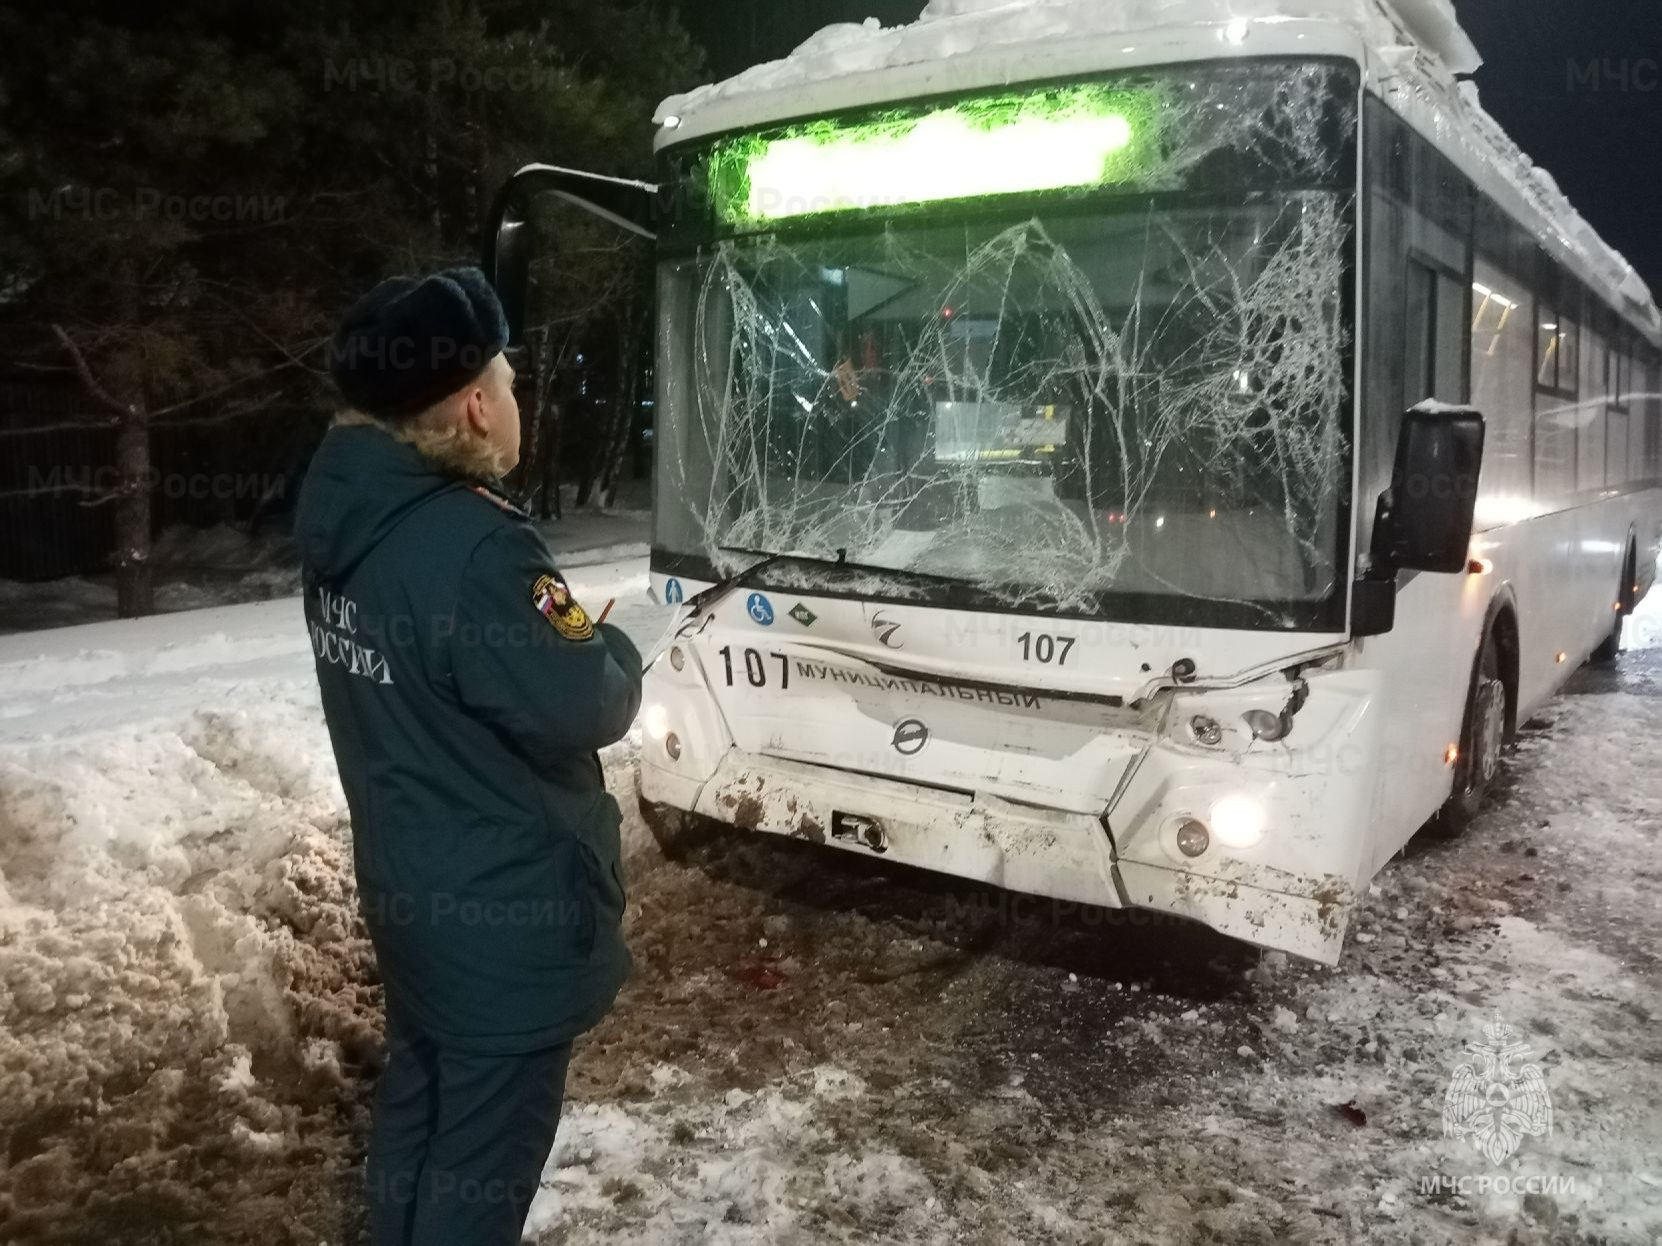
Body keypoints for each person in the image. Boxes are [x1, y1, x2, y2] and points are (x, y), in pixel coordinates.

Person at [294, 267, 642, 1245]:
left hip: (415, 902)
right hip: (504, 923)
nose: (521, 397)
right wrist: (611, 645)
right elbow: (592, 702)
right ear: (478, 404)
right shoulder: (482, 552)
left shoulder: (345, 519)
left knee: (420, 1106)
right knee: (482, 1166)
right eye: (513, 378)